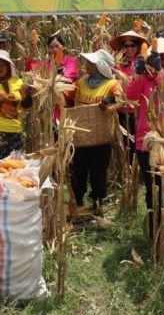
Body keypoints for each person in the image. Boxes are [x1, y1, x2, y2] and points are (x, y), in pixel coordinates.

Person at [127, 38, 164, 236]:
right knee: (152, 187)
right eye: (161, 57)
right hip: (145, 142)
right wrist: (137, 73)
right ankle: (155, 230)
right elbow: (131, 96)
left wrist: (161, 71)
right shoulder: (145, 78)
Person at [69, 50, 120, 210]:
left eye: (91, 63)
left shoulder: (111, 84)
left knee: (98, 171)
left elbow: (119, 98)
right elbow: (67, 95)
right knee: (78, 169)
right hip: (80, 134)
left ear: (100, 66)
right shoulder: (82, 82)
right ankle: (77, 201)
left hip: (101, 136)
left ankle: (97, 202)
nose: (86, 66)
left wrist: (109, 100)